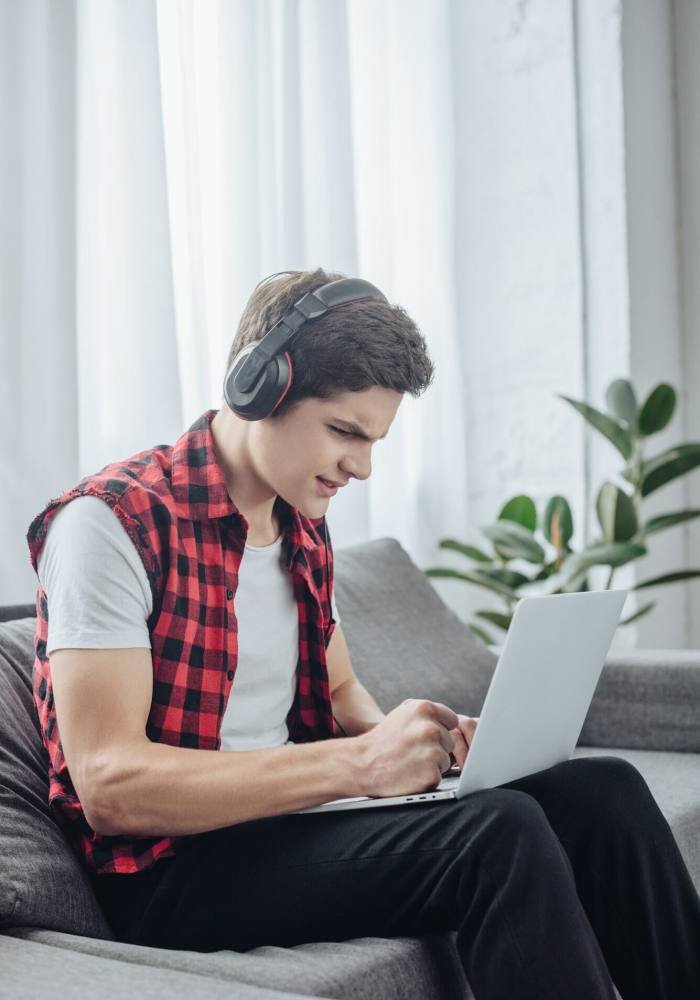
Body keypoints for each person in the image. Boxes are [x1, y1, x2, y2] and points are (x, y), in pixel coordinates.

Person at [26, 268, 700, 999]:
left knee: (604, 791)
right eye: (346, 432)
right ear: (260, 388)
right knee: (497, 837)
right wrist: (359, 767)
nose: (363, 466)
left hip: (285, 822)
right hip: (172, 870)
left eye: (375, 440)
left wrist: (419, 748)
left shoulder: (297, 522)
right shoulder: (110, 523)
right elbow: (112, 787)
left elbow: (340, 686)